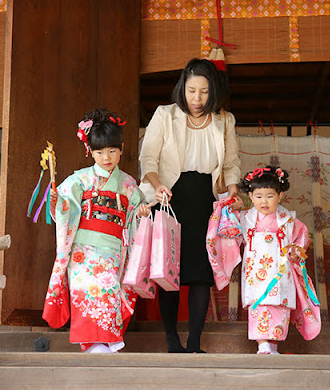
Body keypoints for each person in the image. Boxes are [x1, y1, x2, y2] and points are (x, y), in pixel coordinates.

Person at [139, 58, 241, 353]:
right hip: (169, 196)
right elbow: (148, 158)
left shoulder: (225, 121)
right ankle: (172, 340)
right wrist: (157, 184)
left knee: (201, 275)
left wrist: (233, 190)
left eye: (204, 92)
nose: (197, 99)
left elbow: (231, 164)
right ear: (182, 88)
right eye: (191, 91)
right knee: (169, 272)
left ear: (214, 92)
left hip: (205, 200)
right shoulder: (165, 114)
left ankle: (194, 343)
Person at [42, 108, 152, 353]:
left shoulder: (127, 184)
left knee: (110, 289)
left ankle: (107, 339)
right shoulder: (79, 179)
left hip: (113, 248)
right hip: (84, 249)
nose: (107, 157)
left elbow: (135, 211)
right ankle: (92, 343)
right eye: (100, 152)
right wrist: (57, 201)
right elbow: (66, 207)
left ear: (121, 148)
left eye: (112, 150)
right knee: (88, 290)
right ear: (89, 151)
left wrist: (141, 211)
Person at [237, 166, 312, 354]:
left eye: (270, 196)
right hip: (256, 272)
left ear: (280, 196)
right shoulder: (245, 218)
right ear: (251, 197)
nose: (264, 201)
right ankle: (262, 344)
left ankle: (274, 345)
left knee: (280, 306)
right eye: (259, 196)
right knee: (259, 305)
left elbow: (301, 239)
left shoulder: (289, 220)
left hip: (280, 272)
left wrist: (296, 251)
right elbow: (229, 232)